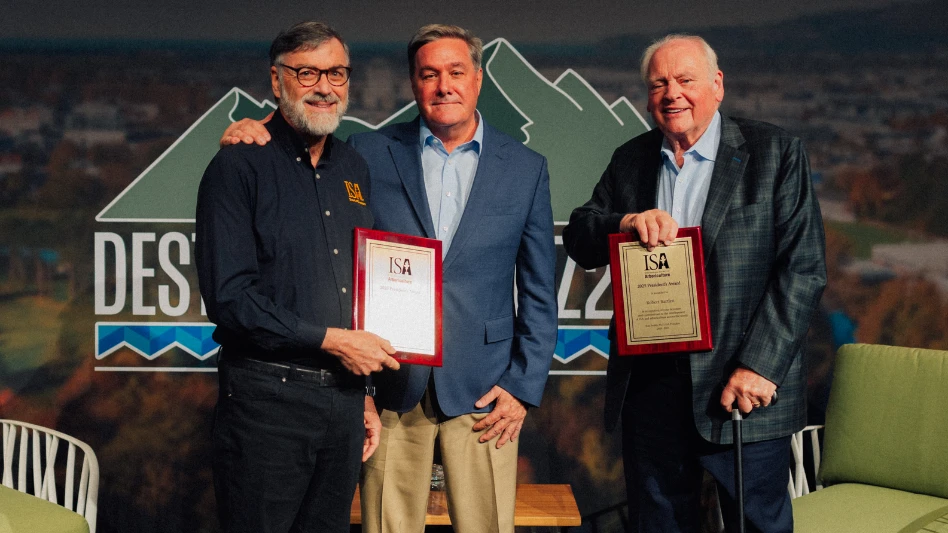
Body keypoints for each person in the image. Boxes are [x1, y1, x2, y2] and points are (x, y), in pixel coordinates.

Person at [221, 23, 557, 533]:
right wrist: (257, 128)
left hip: (485, 392)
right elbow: (307, 158)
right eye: (428, 74)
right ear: (413, 83)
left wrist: (522, 386)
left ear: (478, 79)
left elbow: (538, 289)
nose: (443, 85)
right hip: (392, 384)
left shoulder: (526, 168)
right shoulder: (365, 154)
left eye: (455, 72)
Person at [562, 34, 826, 533]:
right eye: (659, 83)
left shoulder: (775, 153)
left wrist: (758, 368)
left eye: (685, 80)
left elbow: (803, 270)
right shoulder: (631, 159)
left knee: (758, 525)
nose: (672, 94)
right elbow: (580, 234)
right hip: (653, 390)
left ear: (717, 85)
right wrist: (623, 222)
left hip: (742, 390)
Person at [195, 21, 401, 533]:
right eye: (307, 72)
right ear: (276, 79)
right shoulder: (239, 167)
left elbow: (359, 288)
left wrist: (367, 392)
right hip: (267, 403)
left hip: (344, 404)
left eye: (336, 73)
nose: (325, 87)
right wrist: (333, 342)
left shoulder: (354, 167)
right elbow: (231, 300)